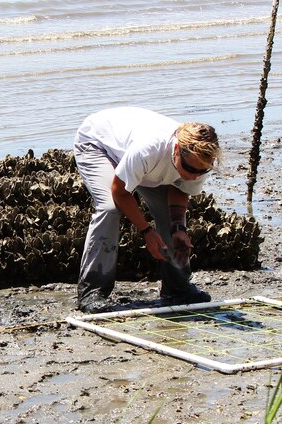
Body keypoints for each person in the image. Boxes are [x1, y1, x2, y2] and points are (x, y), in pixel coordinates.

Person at [73, 107, 221, 313]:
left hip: (144, 162)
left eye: (201, 171)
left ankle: (177, 288)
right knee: (109, 208)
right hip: (99, 144)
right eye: (190, 169)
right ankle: (92, 291)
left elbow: (181, 189)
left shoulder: (200, 158)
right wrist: (146, 231)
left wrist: (179, 228)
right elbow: (120, 191)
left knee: (172, 219)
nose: (195, 176)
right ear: (177, 150)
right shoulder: (149, 149)